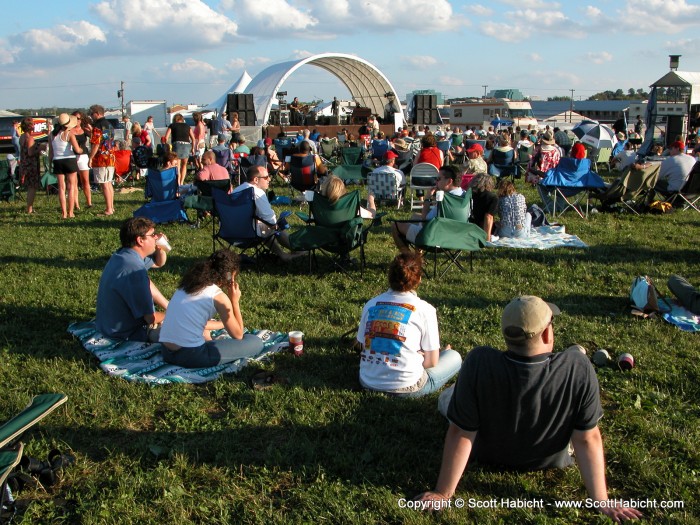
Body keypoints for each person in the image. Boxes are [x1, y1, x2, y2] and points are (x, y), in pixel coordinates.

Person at [415, 296, 643, 523]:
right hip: (549, 457)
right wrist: (601, 500)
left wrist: (443, 493)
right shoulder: (577, 367)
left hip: (486, 453)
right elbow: (587, 438)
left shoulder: (479, 361)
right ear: (546, 333)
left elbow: (461, 432)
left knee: (449, 397)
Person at [356, 252, 462, 396]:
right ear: (418, 279)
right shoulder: (425, 309)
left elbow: (363, 345)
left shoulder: (371, 304)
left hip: (367, 381)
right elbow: (431, 363)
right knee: (454, 357)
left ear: (389, 277)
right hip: (408, 387)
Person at [159, 250, 264, 368]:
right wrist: (234, 301)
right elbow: (238, 335)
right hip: (191, 356)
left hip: (167, 353)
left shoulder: (187, 285)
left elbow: (193, 321)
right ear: (229, 276)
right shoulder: (219, 296)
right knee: (255, 342)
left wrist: (223, 324)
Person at [96, 217, 170, 342]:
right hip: (126, 333)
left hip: (107, 326)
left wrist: (162, 248)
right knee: (189, 328)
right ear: (140, 240)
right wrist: (175, 314)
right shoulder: (135, 270)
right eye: (152, 235)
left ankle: (170, 306)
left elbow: (158, 263)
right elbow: (150, 319)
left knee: (147, 281)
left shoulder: (123, 256)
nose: (156, 238)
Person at [232, 166, 306, 262]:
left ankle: (283, 254)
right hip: (248, 236)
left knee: (263, 226)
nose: (269, 179)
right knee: (275, 225)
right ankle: (297, 249)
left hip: (231, 234)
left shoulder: (236, 190)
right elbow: (271, 221)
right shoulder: (257, 193)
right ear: (256, 179)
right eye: (266, 177)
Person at [392, 165, 464, 253]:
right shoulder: (464, 195)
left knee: (395, 225)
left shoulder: (445, 199)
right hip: (458, 238)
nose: (436, 181)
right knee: (415, 216)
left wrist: (427, 198)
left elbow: (424, 220)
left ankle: (410, 259)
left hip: (436, 240)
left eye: (438, 179)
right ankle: (418, 255)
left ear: (449, 181)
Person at [49, 113, 82, 219]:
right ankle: (71, 212)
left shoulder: (52, 135)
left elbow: (51, 152)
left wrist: (50, 163)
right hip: (69, 160)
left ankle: (64, 213)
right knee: (71, 187)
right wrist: (82, 150)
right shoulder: (69, 134)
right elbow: (77, 150)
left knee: (61, 188)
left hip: (57, 161)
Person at [88, 104, 116, 216]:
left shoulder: (97, 126)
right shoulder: (109, 125)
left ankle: (108, 209)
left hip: (101, 158)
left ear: (97, 113)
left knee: (104, 184)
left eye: (92, 114)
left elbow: (96, 144)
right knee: (108, 183)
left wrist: (90, 157)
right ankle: (111, 207)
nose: (91, 116)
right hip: (110, 157)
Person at [165, 113, 195, 186]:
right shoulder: (187, 126)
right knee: (184, 165)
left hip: (177, 145)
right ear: (182, 119)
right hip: (187, 145)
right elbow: (193, 139)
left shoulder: (172, 125)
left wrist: (167, 147)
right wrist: (193, 148)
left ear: (175, 119)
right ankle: (182, 182)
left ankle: (178, 182)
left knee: (177, 165)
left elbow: (166, 137)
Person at [18, 117, 41, 214]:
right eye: (32, 124)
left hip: (24, 164)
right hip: (31, 165)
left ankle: (29, 208)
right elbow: (31, 153)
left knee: (29, 187)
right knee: (32, 187)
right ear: (30, 126)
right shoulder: (30, 138)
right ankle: (29, 209)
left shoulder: (22, 137)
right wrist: (39, 149)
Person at [71, 110, 92, 209]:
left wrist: (91, 130)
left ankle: (89, 202)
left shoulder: (84, 130)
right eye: (75, 118)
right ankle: (76, 204)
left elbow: (94, 139)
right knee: (73, 182)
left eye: (79, 118)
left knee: (85, 181)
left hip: (83, 156)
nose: (77, 120)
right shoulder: (69, 130)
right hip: (72, 156)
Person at [469, 173, 498, 242]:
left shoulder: (468, 194)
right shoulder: (492, 197)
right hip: (481, 228)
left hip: (468, 226)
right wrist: (487, 239)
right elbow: (488, 217)